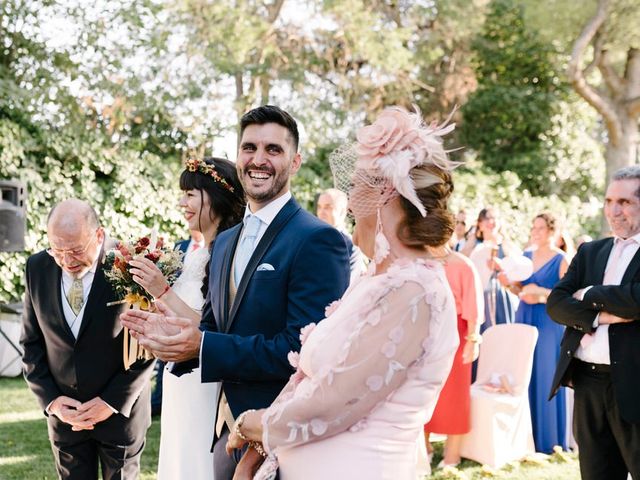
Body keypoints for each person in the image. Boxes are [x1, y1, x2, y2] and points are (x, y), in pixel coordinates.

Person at [225, 106, 459, 479]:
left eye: (357, 192)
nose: (350, 204)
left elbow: (335, 401)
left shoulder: (416, 292)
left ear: (387, 197)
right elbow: (306, 377)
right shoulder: (373, 281)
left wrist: (254, 424)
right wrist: (263, 445)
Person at [120, 105, 351, 480]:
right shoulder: (225, 242)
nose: (259, 159)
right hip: (224, 431)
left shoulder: (317, 239)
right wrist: (174, 338)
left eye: (273, 150)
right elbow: (213, 326)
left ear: (295, 163)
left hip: (280, 437)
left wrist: (202, 345)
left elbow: (305, 352)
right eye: (249, 148)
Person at [20, 199, 155, 480]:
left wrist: (110, 402)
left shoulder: (131, 264)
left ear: (99, 235)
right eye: (58, 251)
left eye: (76, 250)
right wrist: (53, 401)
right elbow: (31, 344)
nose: (67, 261)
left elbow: (147, 346)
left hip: (120, 416)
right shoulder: (36, 267)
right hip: (66, 419)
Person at [130, 158, 245, 480]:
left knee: (199, 461)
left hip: (206, 381)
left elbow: (215, 328)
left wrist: (161, 290)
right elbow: (182, 314)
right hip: (178, 378)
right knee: (178, 457)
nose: (182, 203)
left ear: (217, 196)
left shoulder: (230, 252)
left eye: (191, 194)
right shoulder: (193, 253)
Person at [547, 166, 640, 480]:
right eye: (609, 201)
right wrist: (602, 315)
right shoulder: (590, 251)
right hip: (587, 385)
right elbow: (556, 303)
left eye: (625, 202)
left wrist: (588, 293)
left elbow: (637, 300)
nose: (614, 211)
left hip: (635, 382)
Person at [505, 213, 569, 453]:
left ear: (552, 231)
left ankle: (548, 440)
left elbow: (569, 296)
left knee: (545, 374)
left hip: (548, 322)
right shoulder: (525, 256)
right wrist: (509, 284)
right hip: (524, 317)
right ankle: (523, 438)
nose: (535, 231)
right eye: (534, 227)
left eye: (540, 228)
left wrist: (541, 293)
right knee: (524, 374)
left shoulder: (561, 259)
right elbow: (518, 289)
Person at [424, 250, 484, 468]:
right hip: (425, 330)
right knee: (423, 391)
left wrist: (473, 338)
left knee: (454, 394)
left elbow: (473, 303)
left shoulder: (462, 264)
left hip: (457, 331)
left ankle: (453, 455)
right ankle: (425, 449)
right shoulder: (420, 260)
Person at [150, 229, 205, 417]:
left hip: (197, 316)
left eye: (191, 196)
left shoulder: (216, 247)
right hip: (171, 311)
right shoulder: (180, 246)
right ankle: (158, 400)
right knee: (165, 364)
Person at [462, 207, 519, 329]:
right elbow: (462, 263)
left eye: (495, 218)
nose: (491, 222)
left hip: (501, 296)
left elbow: (518, 270)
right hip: (479, 295)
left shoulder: (505, 244)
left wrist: (502, 266)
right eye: (487, 218)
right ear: (480, 224)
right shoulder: (474, 244)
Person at [316, 187, 367, 280]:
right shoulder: (312, 239)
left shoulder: (352, 246)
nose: (321, 212)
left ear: (342, 211)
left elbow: (349, 283)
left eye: (328, 207)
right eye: (319, 207)